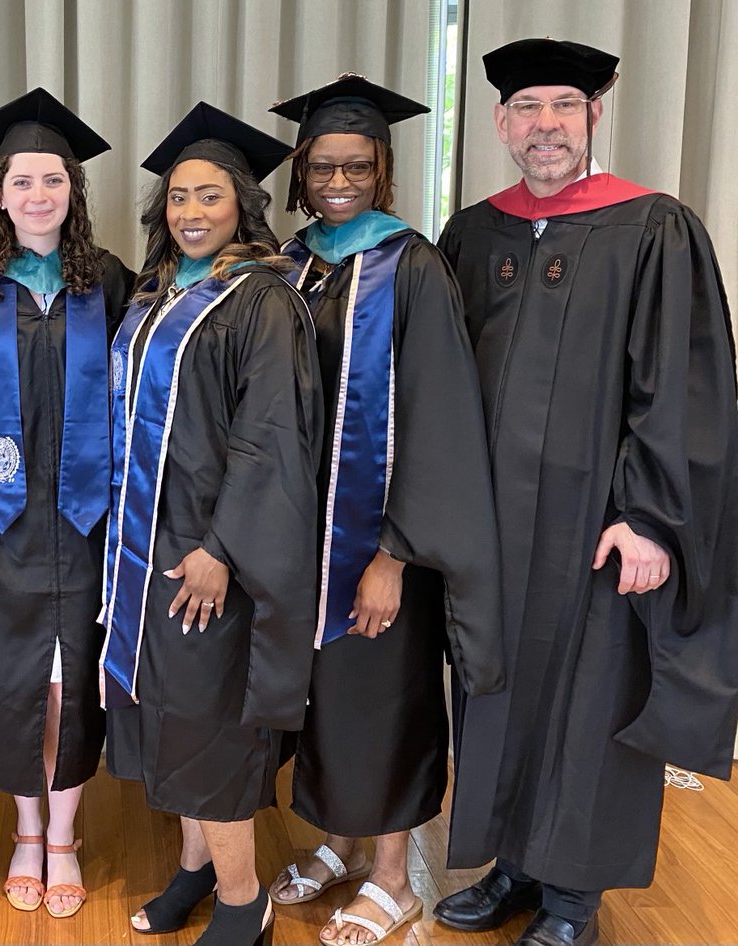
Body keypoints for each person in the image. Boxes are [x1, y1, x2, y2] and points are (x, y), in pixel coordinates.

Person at [434, 39, 738, 946]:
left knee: (592, 694)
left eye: (565, 106)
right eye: (527, 109)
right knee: (496, 688)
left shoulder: (653, 227)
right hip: (492, 523)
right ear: (499, 123)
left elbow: (682, 392)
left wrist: (647, 517)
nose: (546, 126)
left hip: (596, 526)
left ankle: (573, 897)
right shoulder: (472, 233)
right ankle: (513, 864)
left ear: (593, 116)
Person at [263, 75, 504, 946]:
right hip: (302, 540)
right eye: (323, 165)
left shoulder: (414, 266)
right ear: (299, 170)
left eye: (356, 166)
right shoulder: (292, 263)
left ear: (383, 171)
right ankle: (339, 844)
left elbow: (439, 422)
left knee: (387, 696)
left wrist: (393, 554)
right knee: (329, 697)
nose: (338, 180)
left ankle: (395, 877)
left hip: (377, 543)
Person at [100, 102, 323, 946]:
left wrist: (221, 548)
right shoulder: (162, 293)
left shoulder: (261, 300)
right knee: (170, 715)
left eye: (210, 196)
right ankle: (197, 868)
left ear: (242, 206)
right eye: (179, 198)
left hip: (208, 553)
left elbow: (270, 437)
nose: (191, 211)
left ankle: (243, 901)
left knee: (209, 726)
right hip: (148, 547)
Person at [0, 88, 133, 920]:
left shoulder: (113, 281)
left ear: (74, 193)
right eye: (23, 181)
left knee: (69, 680)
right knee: (15, 674)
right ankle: (25, 828)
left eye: (54, 179)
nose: (39, 195)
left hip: (89, 522)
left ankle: (64, 835)